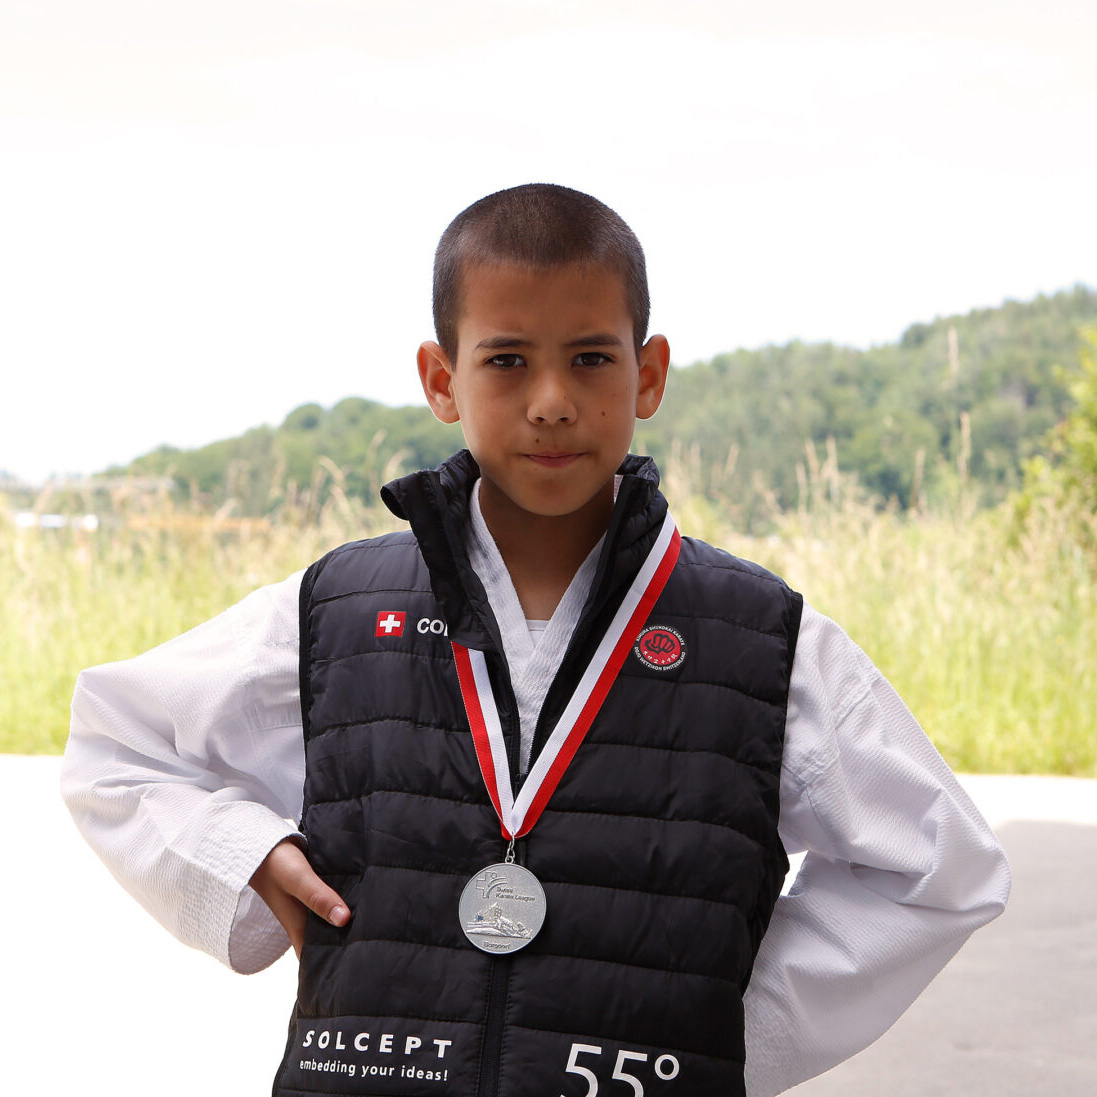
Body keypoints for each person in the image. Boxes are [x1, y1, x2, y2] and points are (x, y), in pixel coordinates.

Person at [62, 183, 1010, 1097]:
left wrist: (728, 1027)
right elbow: (117, 744)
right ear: (442, 378)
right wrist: (244, 855)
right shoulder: (338, 611)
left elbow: (938, 869)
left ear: (649, 374)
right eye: (507, 359)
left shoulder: (760, 638)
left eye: (591, 358)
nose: (551, 399)